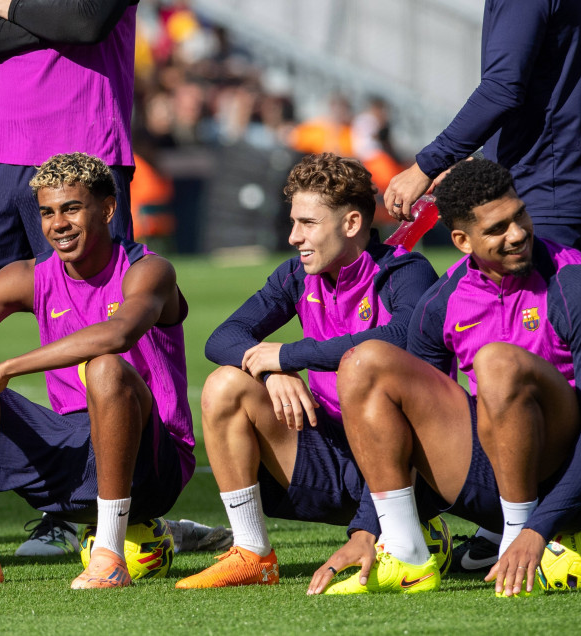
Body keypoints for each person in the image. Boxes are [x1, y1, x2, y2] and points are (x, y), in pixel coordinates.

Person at [0, 0, 225, 559]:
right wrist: (43, 20)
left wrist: (7, 9)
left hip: (84, 139)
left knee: (104, 343)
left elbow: (86, 23)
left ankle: (94, 516)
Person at [308, 158, 581, 596]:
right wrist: (365, 529)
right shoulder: (442, 300)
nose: (517, 233)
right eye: (497, 228)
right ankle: (405, 552)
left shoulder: (577, 283)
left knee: (497, 362)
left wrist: (536, 529)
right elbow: (407, 423)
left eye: (519, 215)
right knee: (363, 363)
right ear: (462, 241)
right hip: (496, 478)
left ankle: (517, 541)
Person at [0, 152, 194, 589]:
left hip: (151, 467)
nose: (58, 224)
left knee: (106, 370)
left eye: (72, 208)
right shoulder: (28, 275)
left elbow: (116, 336)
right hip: (69, 454)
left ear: (108, 209)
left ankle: (109, 555)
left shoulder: (149, 270)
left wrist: (7, 369)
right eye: (47, 212)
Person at [175, 153, 438, 589]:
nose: (295, 236)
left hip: (404, 458)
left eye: (308, 223)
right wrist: (269, 371)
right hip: (327, 449)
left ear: (351, 224)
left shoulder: (404, 270)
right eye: (294, 222)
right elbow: (224, 337)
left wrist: (292, 356)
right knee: (226, 384)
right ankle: (252, 553)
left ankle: (414, 530)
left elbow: (405, 336)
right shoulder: (296, 275)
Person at [383, 0, 581, 266]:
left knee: (501, 306)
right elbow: (554, 91)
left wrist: (426, 165)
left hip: (541, 193)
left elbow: (502, 90)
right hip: (577, 186)